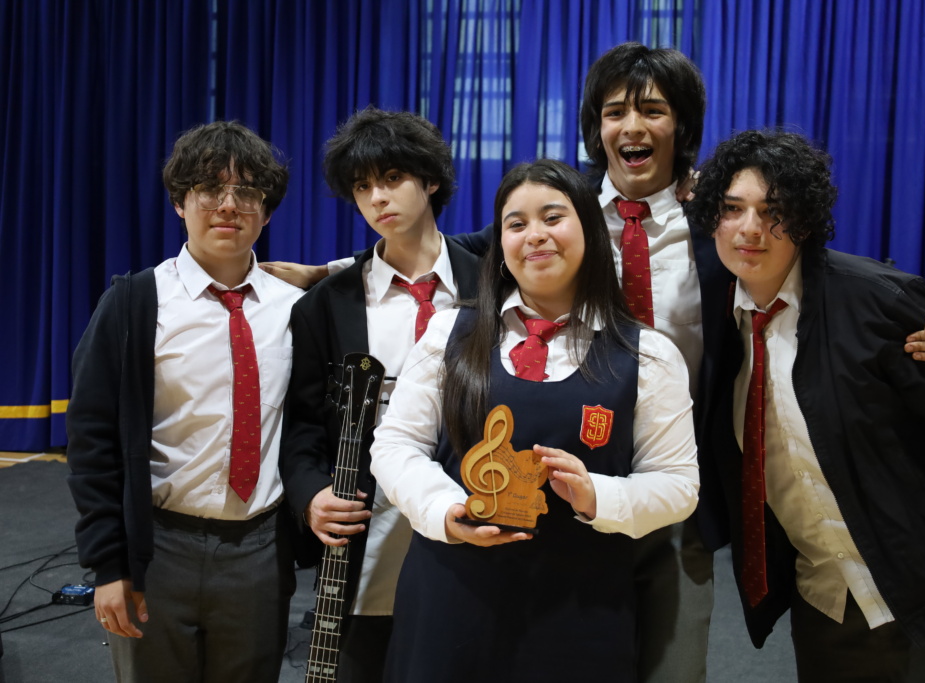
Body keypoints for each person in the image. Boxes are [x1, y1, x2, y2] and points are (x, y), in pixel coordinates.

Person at [261, 42, 925, 682]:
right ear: (595, 128)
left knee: (664, 665)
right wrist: (332, 272)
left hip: (677, 494)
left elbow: (807, 268)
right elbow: (442, 253)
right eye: (614, 112)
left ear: (681, 128)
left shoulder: (720, 228)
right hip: (545, 502)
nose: (632, 126)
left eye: (653, 110)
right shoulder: (558, 211)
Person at [687, 128, 925, 682]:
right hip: (828, 608)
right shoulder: (719, 326)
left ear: (804, 220)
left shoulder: (875, 301)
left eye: (773, 211)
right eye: (732, 209)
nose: (749, 228)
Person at [367, 159, 699, 682]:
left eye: (553, 217)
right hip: (450, 599)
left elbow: (679, 485)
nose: (535, 235)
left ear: (590, 229)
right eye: (516, 224)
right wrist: (447, 509)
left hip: (580, 610)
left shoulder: (648, 355)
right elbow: (394, 445)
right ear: (500, 243)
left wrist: (596, 495)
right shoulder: (449, 333)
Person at [66, 121, 303, 682]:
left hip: (259, 550)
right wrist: (108, 565)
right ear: (179, 202)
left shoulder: (297, 309)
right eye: (209, 189)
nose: (229, 205)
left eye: (247, 192)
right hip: (159, 548)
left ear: (267, 212)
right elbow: (91, 440)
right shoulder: (134, 302)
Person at [279, 107, 480, 682]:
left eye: (392, 178)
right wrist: (310, 494)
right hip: (371, 530)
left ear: (431, 179)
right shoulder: (326, 304)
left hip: (477, 518)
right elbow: (302, 425)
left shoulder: (493, 284)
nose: (377, 198)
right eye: (362, 187)